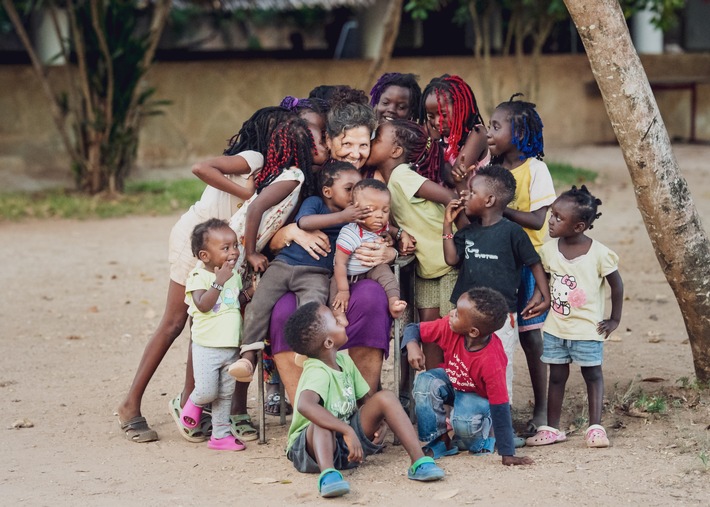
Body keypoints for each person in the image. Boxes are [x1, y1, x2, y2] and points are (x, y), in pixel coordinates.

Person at [115, 106, 292, 443]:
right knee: (174, 323)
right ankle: (130, 405)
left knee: (209, 326)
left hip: (225, 249)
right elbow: (200, 167)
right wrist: (249, 196)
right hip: (196, 241)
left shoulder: (280, 173)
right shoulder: (253, 158)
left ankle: (190, 405)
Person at [265, 93, 395, 402]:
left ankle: (365, 405)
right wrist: (295, 231)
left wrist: (389, 250)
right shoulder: (310, 179)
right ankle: (308, 412)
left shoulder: (377, 181)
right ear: (330, 140)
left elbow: (394, 231)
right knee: (284, 311)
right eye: (347, 144)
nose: (355, 153)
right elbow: (269, 236)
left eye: (363, 145)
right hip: (304, 273)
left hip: (355, 277)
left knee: (372, 299)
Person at [285, 302, 445, 498]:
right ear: (328, 343)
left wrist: (381, 422)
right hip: (312, 449)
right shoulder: (316, 371)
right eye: (336, 322)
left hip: (346, 445)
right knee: (321, 422)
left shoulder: (344, 362)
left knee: (384, 397)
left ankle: (419, 461)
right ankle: (328, 476)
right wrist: (346, 429)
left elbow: (368, 401)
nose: (343, 321)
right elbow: (304, 405)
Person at [229, 161, 366, 381]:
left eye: (358, 190)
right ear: (327, 191)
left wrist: (392, 235)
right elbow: (304, 222)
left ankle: (307, 353)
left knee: (313, 310)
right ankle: (247, 357)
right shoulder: (316, 203)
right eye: (349, 189)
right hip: (283, 265)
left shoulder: (353, 221)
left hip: (317, 274)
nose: (354, 195)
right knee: (259, 305)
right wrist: (342, 217)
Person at [442, 164, 551, 406]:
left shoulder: (513, 233)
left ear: (489, 199)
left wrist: (545, 294)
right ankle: (467, 421)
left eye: (472, 191)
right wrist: (447, 225)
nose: (464, 195)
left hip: (501, 317)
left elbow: (534, 263)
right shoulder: (468, 232)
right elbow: (451, 259)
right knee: (463, 364)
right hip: (464, 313)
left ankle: (500, 422)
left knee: (500, 365)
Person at [526, 186, 623, 449]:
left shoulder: (600, 254)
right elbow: (543, 281)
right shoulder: (548, 251)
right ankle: (552, 429)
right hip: (556, 328)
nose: (551, 220)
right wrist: (537, 299)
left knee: (592, 375)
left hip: (588, 330)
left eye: (558, 217)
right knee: (556, 376)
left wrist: (614, 319)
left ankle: (595, 428)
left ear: (579, 226)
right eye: (552, 214)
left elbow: (617, 285)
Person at [370, 119, 464, 370]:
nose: (370, 142)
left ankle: (454, 395)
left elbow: (449, 197)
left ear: (396, 151)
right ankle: (435, 390)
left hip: (449, 264)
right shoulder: (388, 183)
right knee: (430, 333)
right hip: (428, 269)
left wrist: (469, 237)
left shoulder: (401, 175)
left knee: (451, 332)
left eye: (376, 139)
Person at [404, 287, 534, 466]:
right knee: (425, 382)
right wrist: (412, 346)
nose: (451, 314)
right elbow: (413, 329)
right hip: (456, 383)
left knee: (462, 421)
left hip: (479, 399)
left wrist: (508, 453)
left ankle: (486, 439)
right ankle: (440, 442)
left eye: (457, 314)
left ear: (473, 331)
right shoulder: (449, 327)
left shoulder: (491, 360)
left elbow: (500, 405)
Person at [488, 94, 556, 434]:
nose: (490, 131)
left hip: (529, 265)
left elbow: (538, 219)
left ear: (519, 133)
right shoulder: (492, 167)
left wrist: (500, 208)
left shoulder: (536, 169)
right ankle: (498, 408)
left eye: (496, 126)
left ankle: (542, 409)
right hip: (497, 261)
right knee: (499, 335)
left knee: (530, 338)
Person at [179, 219, 248, 451]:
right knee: (208, 391)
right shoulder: (199, 277)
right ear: (205, 255)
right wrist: (218, 282)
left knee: (225, 395)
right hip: (207, 347)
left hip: (230, 346)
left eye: (235, 246)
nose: (233, 252)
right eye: (225, 248)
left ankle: (220, 436)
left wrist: (247, 293)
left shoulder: (234, 276)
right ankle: (192, 404)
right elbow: (203, 305)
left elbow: (233, 304)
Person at [330, 178, 407, 327]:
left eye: (385, 211)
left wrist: (400, 234)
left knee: (386, 274)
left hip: (371, 269)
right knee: (335, 286)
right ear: (355, 208)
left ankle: (394, 302)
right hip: (347, 273)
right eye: (372, 210)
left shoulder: (379, 228)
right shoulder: (349, 233)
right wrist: (344, 290)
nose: (380, 215)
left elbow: (389, 229)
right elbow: (340, 263)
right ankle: (338, 313)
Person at [418, 74, 489, 187]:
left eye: (444, 115)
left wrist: (433, 147)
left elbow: (453, 178)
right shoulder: (433, 132)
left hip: (471, 201)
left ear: (461, 109)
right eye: (431, 116)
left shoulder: (477, 133)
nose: (437, 122)